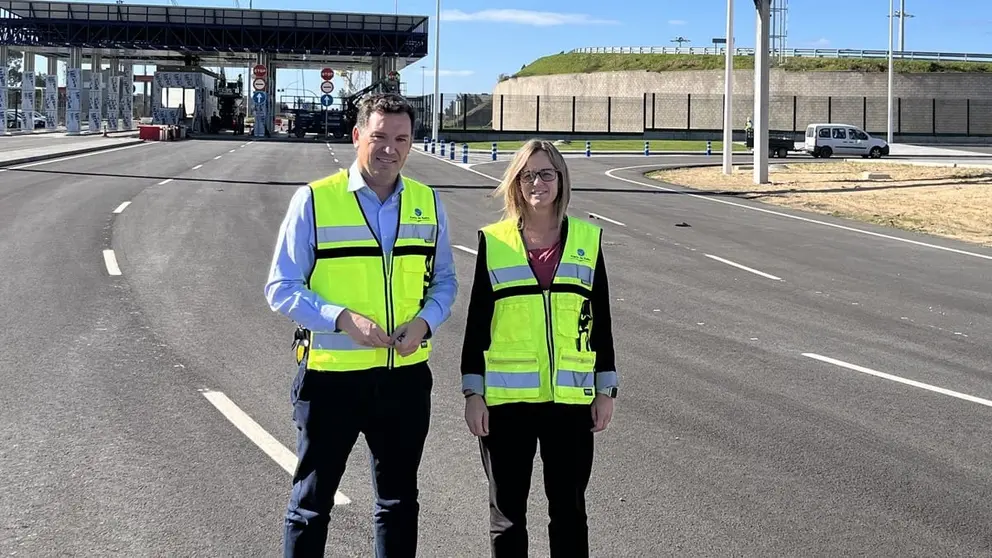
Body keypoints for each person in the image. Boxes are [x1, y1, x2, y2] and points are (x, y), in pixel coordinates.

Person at [264, 92, 458, 558]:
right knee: (311, 504)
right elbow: (281, 288)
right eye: (379, 136)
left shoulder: (428, 204)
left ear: (411, 145)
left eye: (401, 138)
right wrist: (341, 318)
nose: (389, 148)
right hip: (332, 380)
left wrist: (426, 323)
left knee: (398, 502)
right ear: (357, 137)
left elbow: (445, 281)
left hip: (404, 381)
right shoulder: (314, 200)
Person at [459, 139, 619, 557]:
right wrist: (472, 394)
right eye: (527, 174)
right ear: (515, 182)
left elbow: (598, 319)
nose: (537, 182)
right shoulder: (494, 242)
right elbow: (477, 325)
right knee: (508, 516)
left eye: (546, 173)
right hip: (506, 403)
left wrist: (606, 389)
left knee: (569, 512)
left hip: (569, 404)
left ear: (561, 179)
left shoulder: (587, 240)